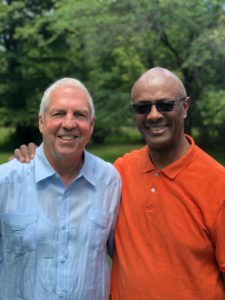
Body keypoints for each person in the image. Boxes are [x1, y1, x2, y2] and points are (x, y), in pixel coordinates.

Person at [12, 68, 225, 300]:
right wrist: (33, 161)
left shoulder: (218, 183)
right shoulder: (118, 175)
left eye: (164, 105)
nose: (154, 115)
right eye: (143, 107)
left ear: (184, 107)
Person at [0, 78, 121, 300]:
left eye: (79, 114)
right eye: (58, 113)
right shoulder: (5, 182)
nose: (69, 123)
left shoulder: (110, 181)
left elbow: (122, 255)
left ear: (91, 125)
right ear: (41, 122)